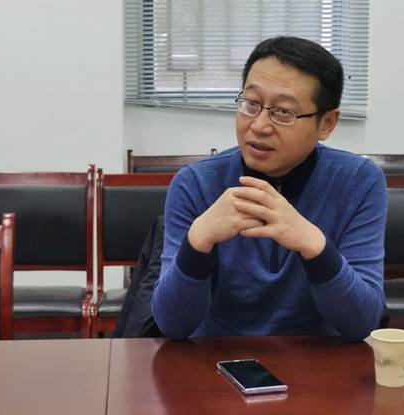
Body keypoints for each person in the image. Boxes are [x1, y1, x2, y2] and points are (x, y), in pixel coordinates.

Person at [151, 36, 387, 341]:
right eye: (251, 104)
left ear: (327, 123)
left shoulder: (359, 182)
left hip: (320, 358)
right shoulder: (194, 184)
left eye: (283, 112)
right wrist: (198, 240)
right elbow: (172, 325)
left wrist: (314, 245)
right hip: (217, 356)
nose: (259, 126)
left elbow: (362, 322)